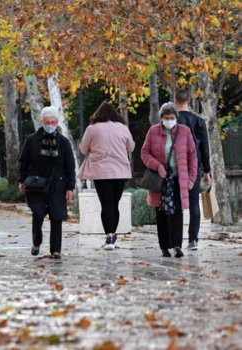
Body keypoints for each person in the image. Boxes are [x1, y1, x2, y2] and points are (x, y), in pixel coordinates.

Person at [19, 106, 75, 259]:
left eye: (53, 122)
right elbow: (23, 162)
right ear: (42, 122)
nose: (50, 124)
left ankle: (55, 250)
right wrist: (21, 180)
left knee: (57, 217)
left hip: (58, 185)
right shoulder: (32, 140)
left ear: (57, 123)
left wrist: (70, 187)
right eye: (47, 121)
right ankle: (36, 242)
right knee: (38, 214)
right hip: (37, 184)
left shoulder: (63, 142)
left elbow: (70, 166)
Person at [141, 102, 197, 258]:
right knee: (161, 212)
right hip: (161, 179)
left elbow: (193, 156)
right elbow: (144, 153)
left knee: (177, 212)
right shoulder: (153, 132)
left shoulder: (184, 132)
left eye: (172, 118)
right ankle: (165, 246)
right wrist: (157, 165)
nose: (169, 120)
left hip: (179, 179)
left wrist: (191, 178)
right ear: (161, 118)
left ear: (176, 118)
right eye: (167, 118)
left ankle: (177, 245)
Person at [77, 102, 135, 250]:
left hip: (100, 171)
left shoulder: (92, 129)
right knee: (115, 203)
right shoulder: (123, 128)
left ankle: (109, 236)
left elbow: (83, 149)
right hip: (120, 171)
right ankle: (113, 236)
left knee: (106, 204)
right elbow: (131, 147)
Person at [175, 89, 211, 250]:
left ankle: (176, 241)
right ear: (188, 101)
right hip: (194, 166)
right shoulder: (199, 121)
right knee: (194, 202)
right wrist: (207, 171)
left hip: (176, 166)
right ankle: (193, 240)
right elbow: (204, 148)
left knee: (176, 202)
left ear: (175, 101)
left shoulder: (173, 121)